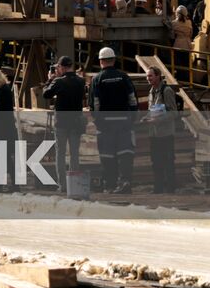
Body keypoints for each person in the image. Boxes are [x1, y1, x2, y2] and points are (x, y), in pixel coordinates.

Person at [91, 46, 139, 193]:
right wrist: (132, 117)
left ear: (101, 61)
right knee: (125, 153)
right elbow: (132, 100)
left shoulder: (97, 79)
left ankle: (110, 185)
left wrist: (97, 120)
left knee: (107, 155)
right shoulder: (124, 77)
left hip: (106, 124)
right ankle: (125, 183)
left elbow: (95, 103)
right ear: (113, 60)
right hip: (124, 121)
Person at [43, 55, 87, 192]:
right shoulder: (80, 81)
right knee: (74, 154)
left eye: (58, 67)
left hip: (61, 123)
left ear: (61, 67)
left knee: (60, 154)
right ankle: (74, 184)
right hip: (76, 122)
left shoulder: (59, 82)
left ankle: (62, 185)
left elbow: (46, 94)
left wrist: (50, 79)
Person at [144, 66, 179, 193]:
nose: (148, 79)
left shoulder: (166, 91)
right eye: (147, 76)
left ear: (158, 76)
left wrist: (158, 120)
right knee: (156, 162)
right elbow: (152, 111)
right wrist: (146, 118)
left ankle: (170, 188)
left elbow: (173, 113)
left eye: (150, 76)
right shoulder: (151, 92)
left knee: (168, 161)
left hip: (165, 134)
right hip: (154, 134)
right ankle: (158, 188)